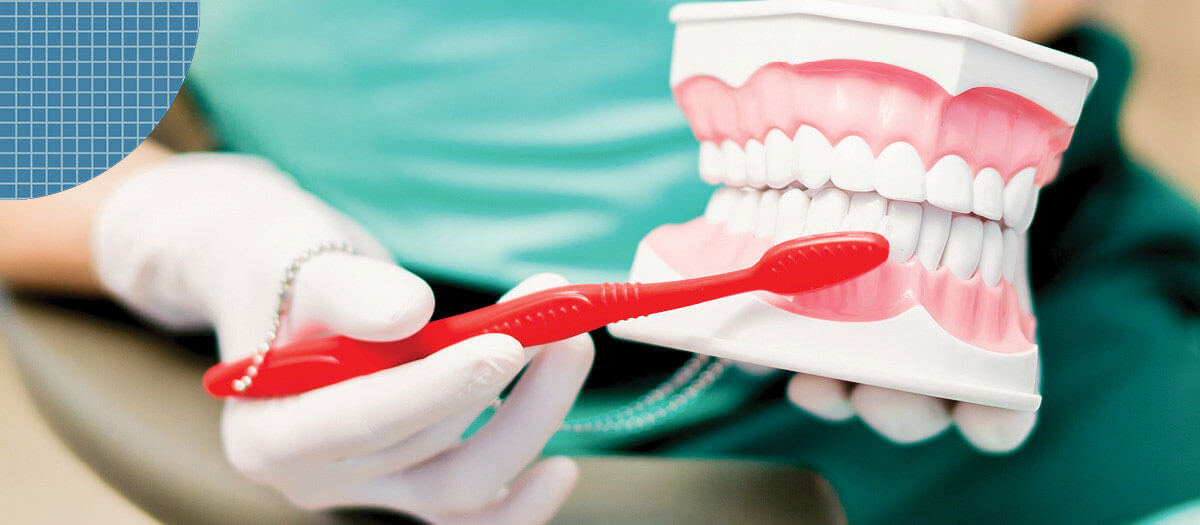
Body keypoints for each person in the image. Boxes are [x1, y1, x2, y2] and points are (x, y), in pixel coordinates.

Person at [2, 1, 1198, 523]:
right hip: (487, 406)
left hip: (1042, 298)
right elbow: (39, 102)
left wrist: (951, 18)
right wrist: (187, 230)